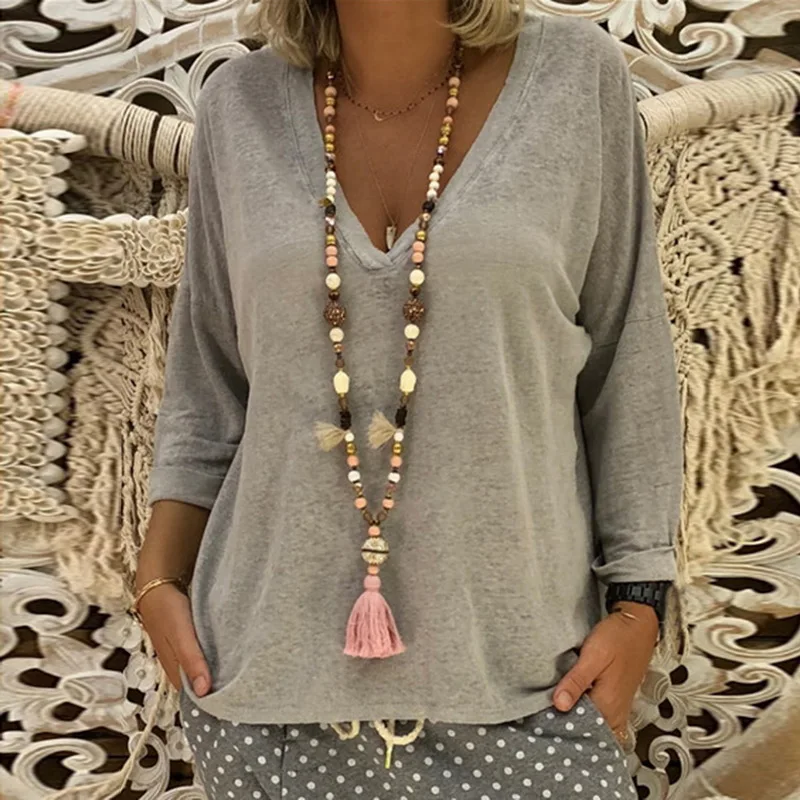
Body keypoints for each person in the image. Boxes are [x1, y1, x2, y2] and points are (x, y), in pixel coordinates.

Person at [133, 1, 683, 797]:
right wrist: (157, 584)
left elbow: (628, 361)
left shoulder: (576, 77)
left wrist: (638, 603)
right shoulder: (238, 106)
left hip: (531, 685)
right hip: (266, 694)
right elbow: (208, 385)